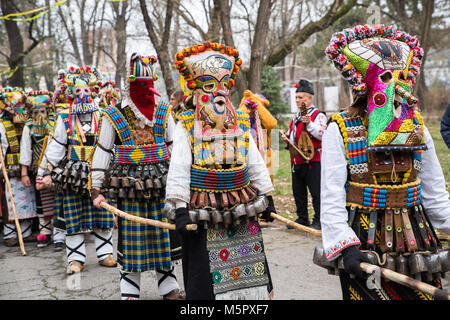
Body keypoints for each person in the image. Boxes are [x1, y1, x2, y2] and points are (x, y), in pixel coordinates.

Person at [316, 24, 450, 300]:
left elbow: (436, 197)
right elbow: (330, 198)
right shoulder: (339, 129)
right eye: (388, 77)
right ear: (366, 82)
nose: (398, 86)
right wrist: (346, 247)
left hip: (418, 242)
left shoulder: (417, 129)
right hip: (365, 246)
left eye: (402, 77)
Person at [165, 42, 276, 300]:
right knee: (205, 279)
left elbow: (253, 159)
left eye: (224, 87)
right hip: (202, 210)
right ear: (196, 92)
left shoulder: (238, 122)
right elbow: (179, 167)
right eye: (210, 87)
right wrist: (180, 209)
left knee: (252, 271)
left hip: (241, 207)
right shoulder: (186, 126)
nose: (219, 94)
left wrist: (267, 196)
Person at [91, 53, 185, 300]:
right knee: (133, 238)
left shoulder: (164, 111)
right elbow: (102, 151)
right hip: (128, 186)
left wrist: (183, 183)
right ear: (130, 85)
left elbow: (175, 149)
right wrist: (96, 188)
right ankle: (129, 291)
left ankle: (169, 287)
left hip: (161, 183)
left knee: (162, 233)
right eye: (141, 85)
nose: (147, 89)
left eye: (149, 84)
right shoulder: (114, 114)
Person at [37, 66, 117, 274]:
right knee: (73, 217)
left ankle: (105, 254)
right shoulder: (64, 117)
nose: (83, 96)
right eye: (78, 92)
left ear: (94, 91)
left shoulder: (105, 116)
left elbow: (112, 144)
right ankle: (75, 259)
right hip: (73, 174)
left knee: (102, 215)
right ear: (71, 93)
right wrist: (44, 173)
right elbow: (55, 146)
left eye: (87, 91)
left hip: (99, 171)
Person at [281, 79, 326, 230]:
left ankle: (319, 220)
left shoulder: (318, 115)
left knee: (316, 192)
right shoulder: (296, 117)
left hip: (313, 161)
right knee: (298, 192)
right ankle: (302, 218)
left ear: (310, 98)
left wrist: (309, 124)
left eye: (301, 97)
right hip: (297, 160)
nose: (298, 100)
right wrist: (287, 137)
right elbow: (293, 135)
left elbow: (322, 134)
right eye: (296, 97)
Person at [20, 89, 63, 248]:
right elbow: (26, 149)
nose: (40, 115)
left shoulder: (55, 123)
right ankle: (45, 231)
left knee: (58, 198)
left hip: (56, 168)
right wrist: (24, 172)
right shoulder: (28, 127)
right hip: (37, 169)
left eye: (43, 111)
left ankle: (60, 233)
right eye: (36, 111)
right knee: (41, 201)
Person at [0, 87, 37, 247]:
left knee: (27, 199)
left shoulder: (26, 124)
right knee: (10, 201)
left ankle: (26, 232)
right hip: (8, 168)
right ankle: (10, 233)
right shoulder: (3, 125)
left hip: (25, 168)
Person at [238, 90, 278, 224]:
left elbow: (271, 124)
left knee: (266, 182)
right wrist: (245, 106)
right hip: (246, 155)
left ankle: (266, 212)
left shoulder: (262, 112)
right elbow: (238, 121)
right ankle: (252, 211)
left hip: (264, 152)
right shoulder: (242, 111)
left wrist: (258, 107)